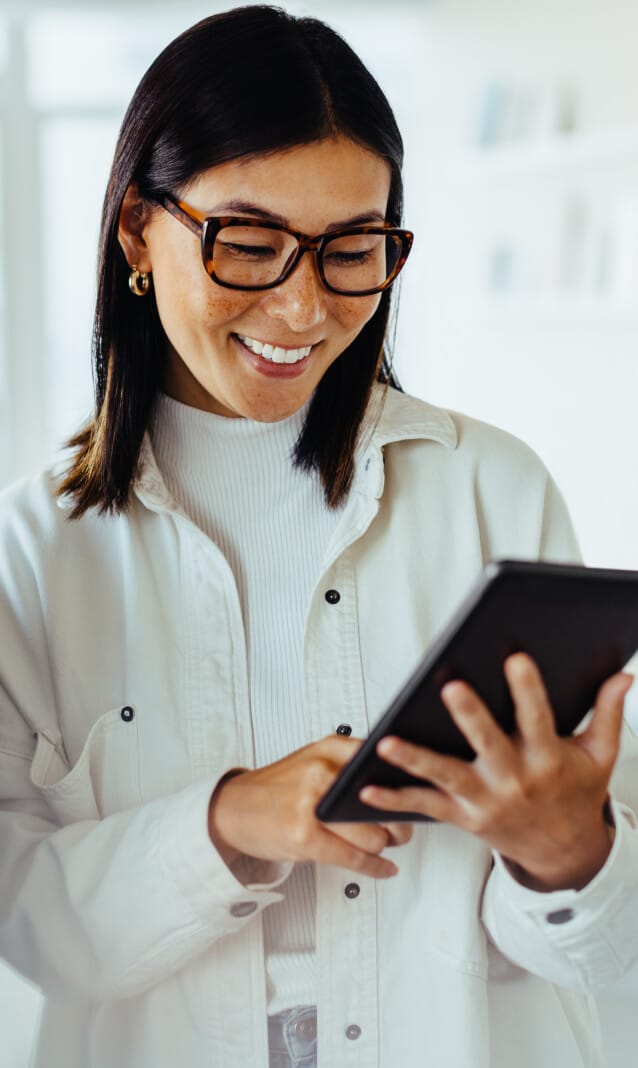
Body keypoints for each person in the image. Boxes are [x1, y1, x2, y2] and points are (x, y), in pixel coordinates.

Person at [0, 6, 637, 1067]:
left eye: (352, 251)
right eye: (250, 246)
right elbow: (27, 926)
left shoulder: (495, 488)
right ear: (136, 232)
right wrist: (222, 826)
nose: (301, 309)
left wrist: (569, 855)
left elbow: (609, 956)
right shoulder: (31, 552)